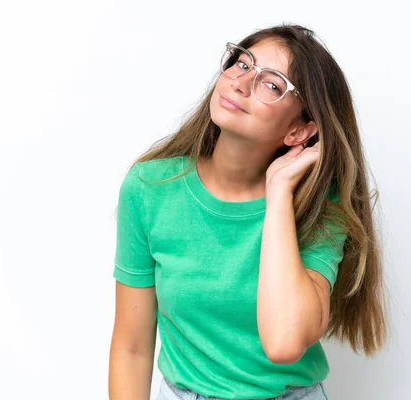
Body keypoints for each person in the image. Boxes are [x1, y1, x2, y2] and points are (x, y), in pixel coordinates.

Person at [108, 24, 388, 400]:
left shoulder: (320, 206)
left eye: (272, 85)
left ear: (299, 131)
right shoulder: (149, 189)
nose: (241, 83)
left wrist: (278, 194)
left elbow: (285, 342)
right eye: (242, 64)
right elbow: (132, 347)